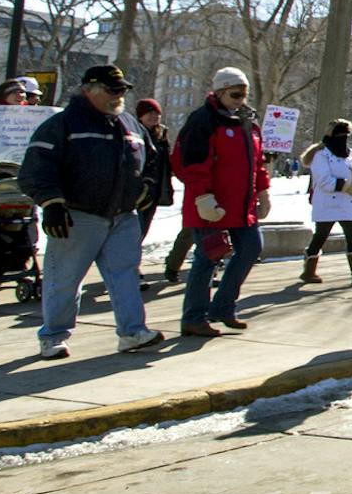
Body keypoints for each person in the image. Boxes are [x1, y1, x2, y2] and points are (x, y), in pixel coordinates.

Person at [20, 64, 162, 359]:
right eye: (113, 90)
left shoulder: (130, 124)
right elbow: (36, 169)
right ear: (89, 90)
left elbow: (151, 158)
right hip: (77, 216)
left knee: (125, 274)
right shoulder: (62, 124)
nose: (119, 95)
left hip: (123, 215)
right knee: (65, 279)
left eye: (122, 90)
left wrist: (147, 185)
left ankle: (133, 332)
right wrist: (52, 203)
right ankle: (53, 337)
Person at [172, 66, 271, 338]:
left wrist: (263, 192)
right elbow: (189, 163)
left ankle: (224, 307)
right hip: (210, 206)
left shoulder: (248, 123)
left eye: (244, 94)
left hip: (241, 205)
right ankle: (193, 317)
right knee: (208, 258)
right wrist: (203, 197)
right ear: (220, 91)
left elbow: (257, 164)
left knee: (251, 248)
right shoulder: (202, 120)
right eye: (236, 94)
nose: (241, 100)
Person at [300, 119, 352, 286]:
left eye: (346, 135)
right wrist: (346, 186)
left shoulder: (350, 153)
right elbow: (324, 180)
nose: (343, 139)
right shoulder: (321, 155)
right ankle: (309, 271)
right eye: (340, 135)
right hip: (328, 204)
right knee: (320, 237)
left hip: (347, 204)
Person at [133, 97, 172, 281]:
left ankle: (131, 265)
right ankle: (132, 268)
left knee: (142, 230)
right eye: (150, 113)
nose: (154, 117)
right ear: (141, 116)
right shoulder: (133, 133)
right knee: (135, 231)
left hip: (155, 190)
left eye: (156, 113)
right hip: (137, 191)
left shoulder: (161, 135)